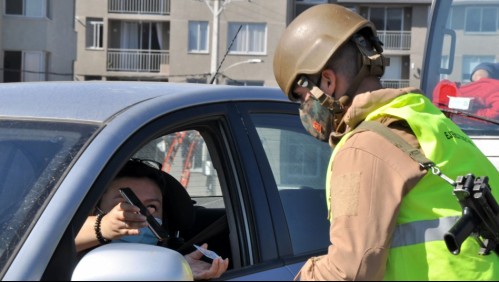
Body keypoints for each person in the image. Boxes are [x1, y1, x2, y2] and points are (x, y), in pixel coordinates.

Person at [273, 4, 499, 281]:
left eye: (301, 97)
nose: (304, 110)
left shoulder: (365, 146)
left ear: (328, 82)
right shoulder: (429, 120)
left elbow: (350, 273)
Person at [75, 159, 229, 280]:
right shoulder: (67, 255)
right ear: (96, 209)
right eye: (123, 204)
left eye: (151, 207)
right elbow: (57, 239)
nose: (138, 214)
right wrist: (102, 226)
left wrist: (180, 270)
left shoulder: (172, 256)